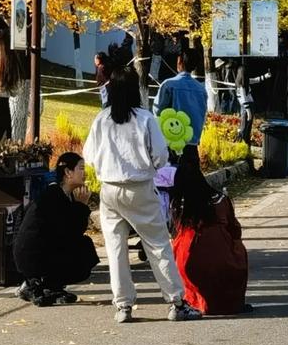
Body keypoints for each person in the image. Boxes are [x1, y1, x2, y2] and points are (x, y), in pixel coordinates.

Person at [83, 67, 201, 324]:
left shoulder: (101, 120)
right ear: (136, 90)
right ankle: (176, 301)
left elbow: (89, 157)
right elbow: (160, 155)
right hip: (140, 188)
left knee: (115, 249)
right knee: (157, 244)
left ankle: (123, 305)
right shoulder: (145, 118)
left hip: (109, 190)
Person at [13, 152, 99, 306]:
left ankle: (51, 287)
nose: (84, 173)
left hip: (45, 251)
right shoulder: (53, 195)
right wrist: (81, 206)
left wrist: (79, 206)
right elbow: (69, 232)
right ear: (68, 172)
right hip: (32, 255)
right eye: (81, 168)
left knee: (83, 245)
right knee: (83, 248)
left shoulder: (66, 195)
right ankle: (34, 284)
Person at [170, 161, 250, 316]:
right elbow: (235, 230)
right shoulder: (219, 199)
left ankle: (194, 302)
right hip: (225, 264)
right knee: (235, 248)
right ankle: (227, 303)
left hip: (188, 264)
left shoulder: (178, 205)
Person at [153, 49, 207, 165]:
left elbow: (157, 111)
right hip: (193, 143)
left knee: (172, 179)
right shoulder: (201, 89)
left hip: (172, 142)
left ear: (180, 62)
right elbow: (203, 114)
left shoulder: (169, 84)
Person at [234, 63, 272, 145]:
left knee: (247, 126)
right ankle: (242, 143)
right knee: (244, 127)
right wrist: (248, 112)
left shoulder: (244, 82)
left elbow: (255, 80)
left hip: (248, 106)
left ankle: (246, 143)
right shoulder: (241, 86)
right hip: (246, 107)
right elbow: (243, 99)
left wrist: (265, 76)